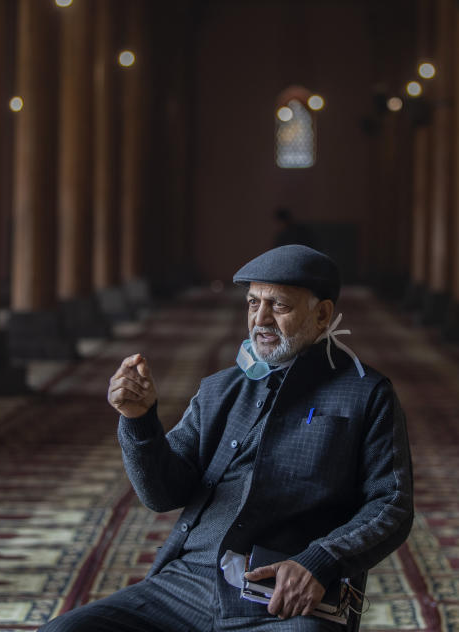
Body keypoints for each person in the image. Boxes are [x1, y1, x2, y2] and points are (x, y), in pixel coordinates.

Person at [42, 245, 413, 631]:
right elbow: (162, 494)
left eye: (279, 306)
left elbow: (392, 504)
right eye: (253, 303)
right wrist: (139, 421)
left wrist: (319, 561)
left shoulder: (366, 394)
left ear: (322, 314)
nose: (260, 319)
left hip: (285, 594)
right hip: (187, 582)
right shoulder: (220, 389)